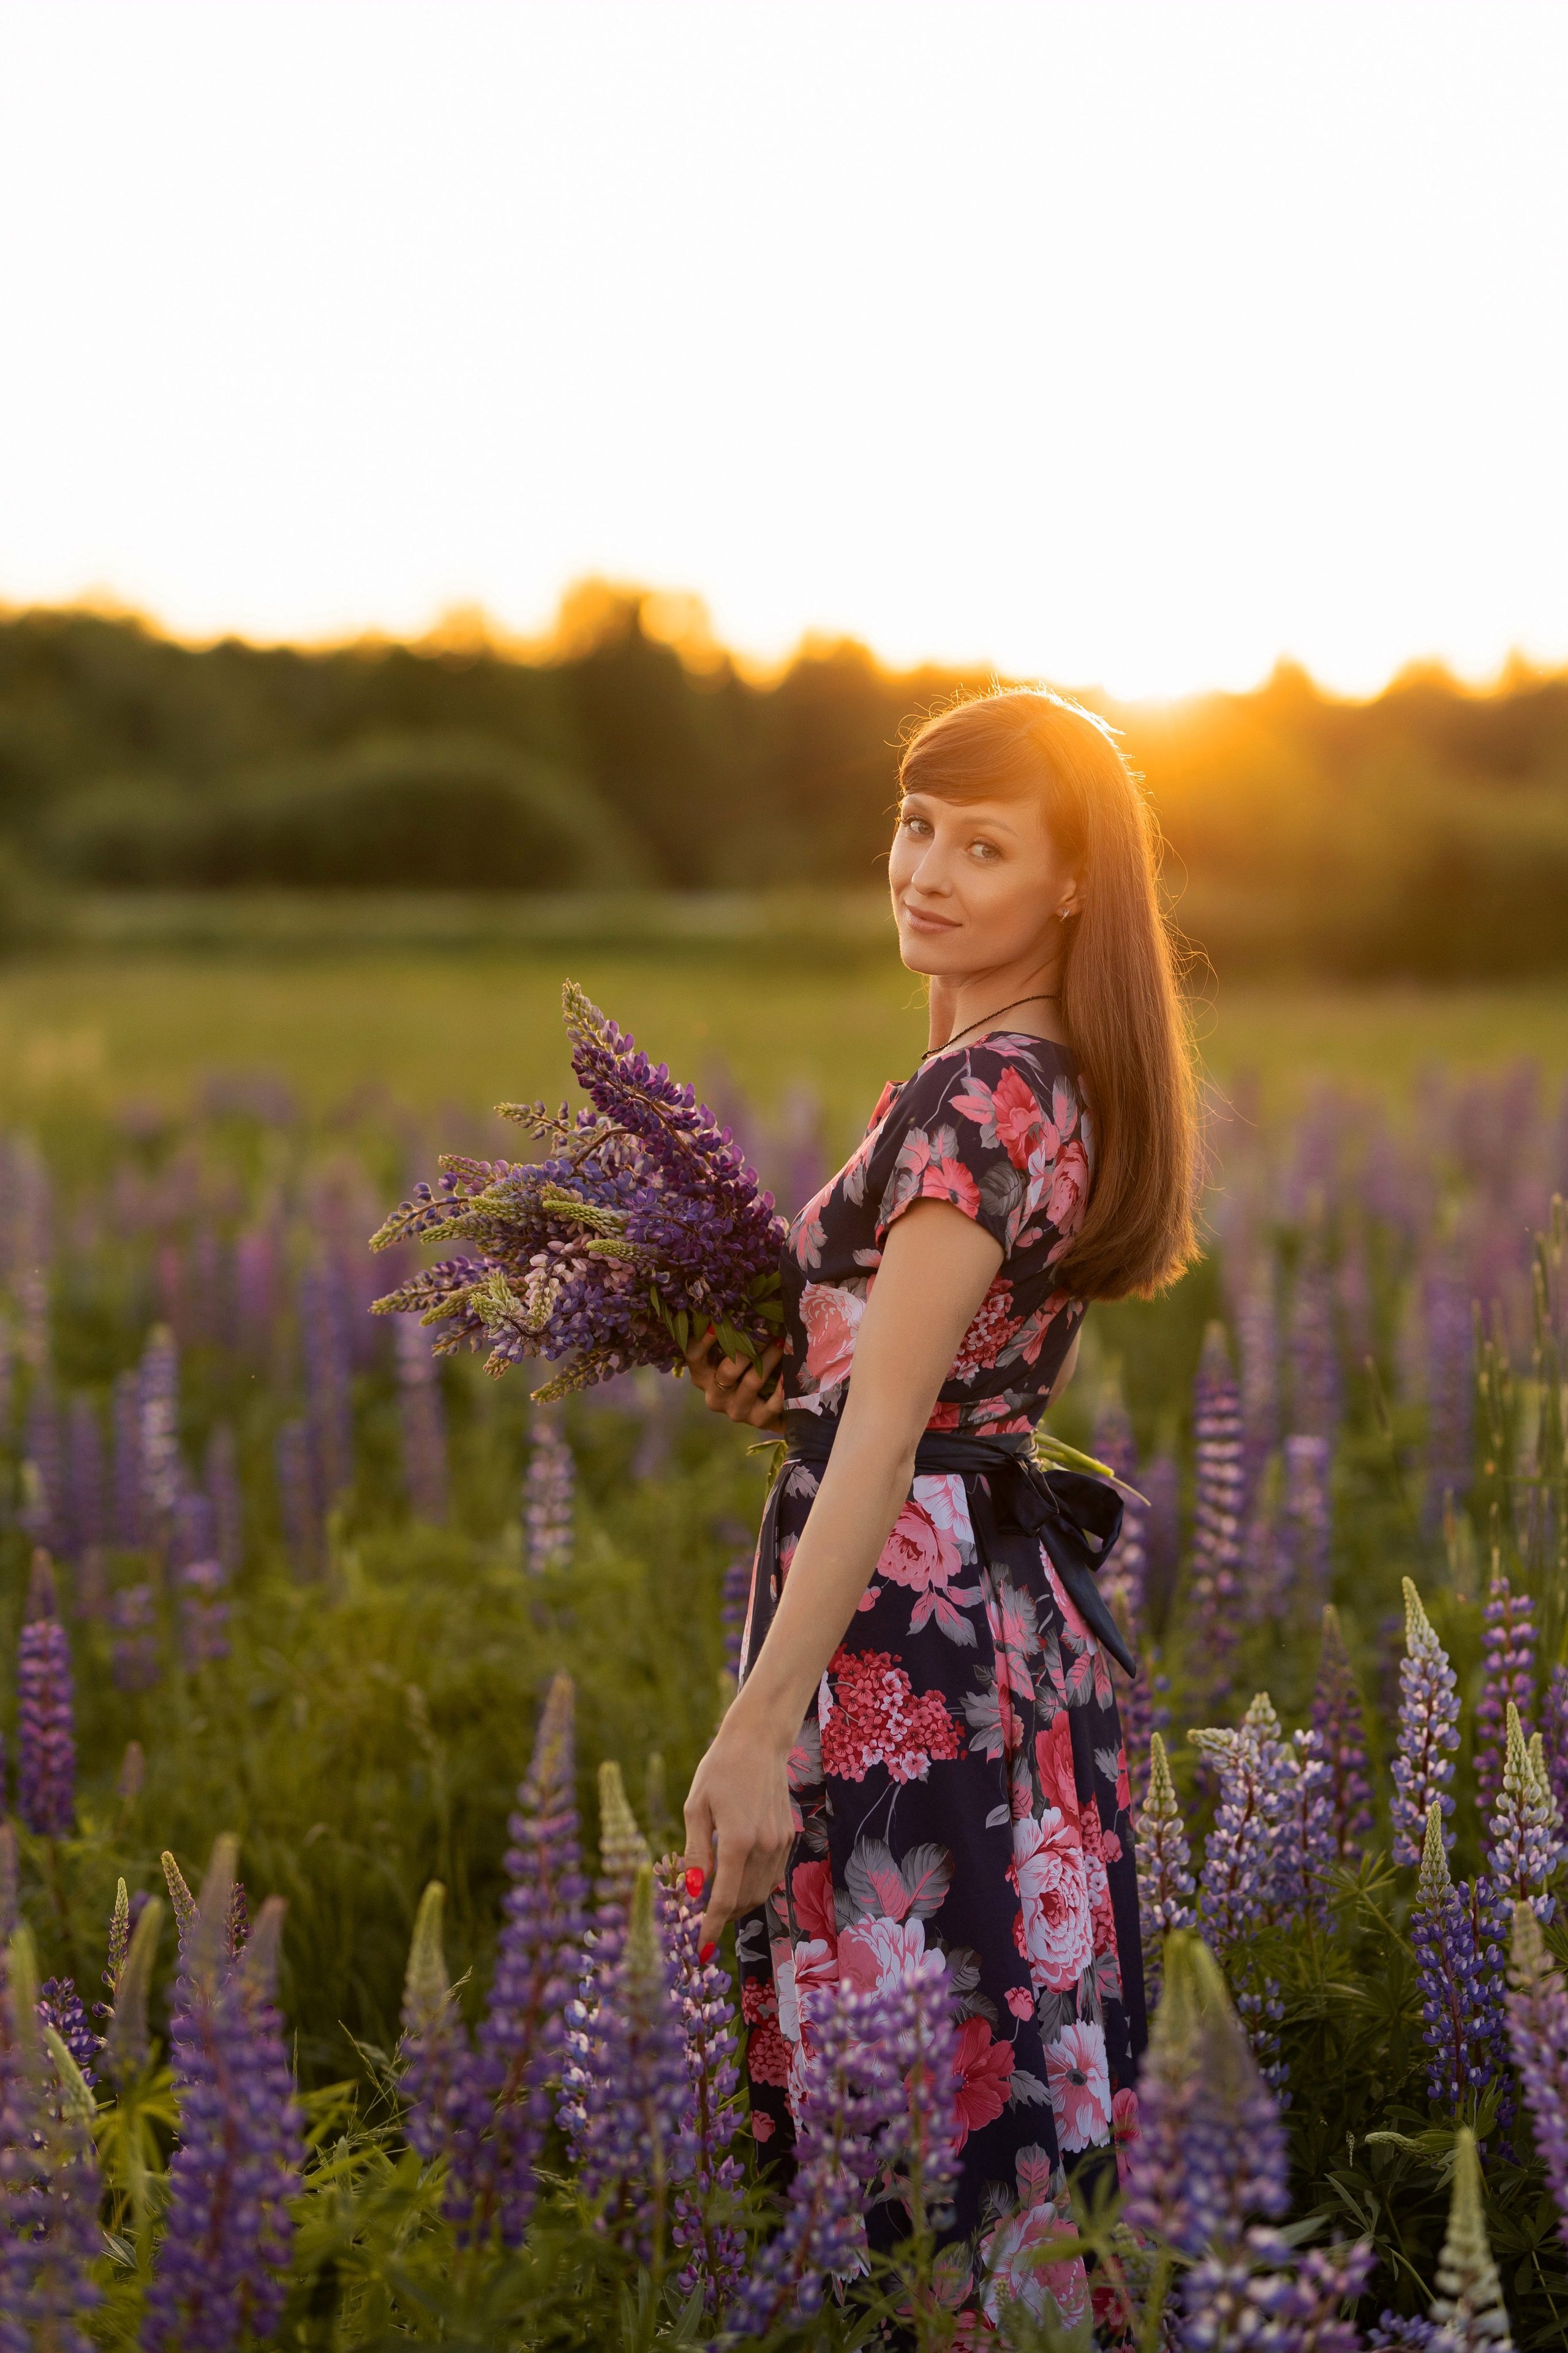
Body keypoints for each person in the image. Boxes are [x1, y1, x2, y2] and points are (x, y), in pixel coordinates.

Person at [681, 686, 1197, 2308]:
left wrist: (758, 1727)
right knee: (1004, 2063)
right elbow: (906, 1385)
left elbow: (890, 1430)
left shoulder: (978, 1097)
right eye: (917, 824)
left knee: (912, 2096)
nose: (928, 868)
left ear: (1068, 886)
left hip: (908, 1639)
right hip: (994, 1615)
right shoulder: (1033, 1072)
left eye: (985, 844)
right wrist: (784, 1382)